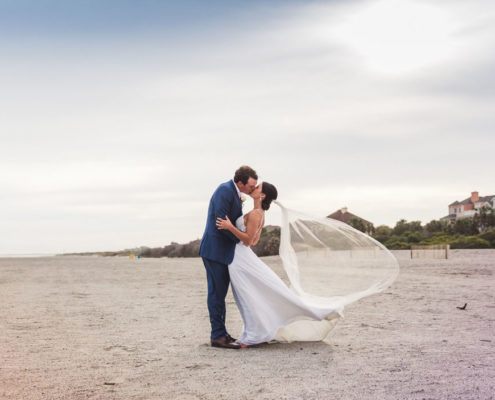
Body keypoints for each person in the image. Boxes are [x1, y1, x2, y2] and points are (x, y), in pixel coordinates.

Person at [216, 182, 342, 348]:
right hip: (241, 258)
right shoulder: (259, 213)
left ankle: (253, 335)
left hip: (240, 258)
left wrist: (230, 226)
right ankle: (254, 333)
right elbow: (254, 240)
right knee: (252, 294)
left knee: (247, 296)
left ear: (262, 196)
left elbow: (247, 241)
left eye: (258, 187)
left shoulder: (255, 214)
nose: (253, 188)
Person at [199, 166, 258, 349]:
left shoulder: (234, 192)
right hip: (215, 250)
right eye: (250, 186)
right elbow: (220, 223)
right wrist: (241, 241)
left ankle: (222, 333)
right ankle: (217, 336)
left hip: (223, 251)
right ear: (240, 183)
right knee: (216, 293)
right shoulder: (224, 190)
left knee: (221, 293)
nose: (252, 190)